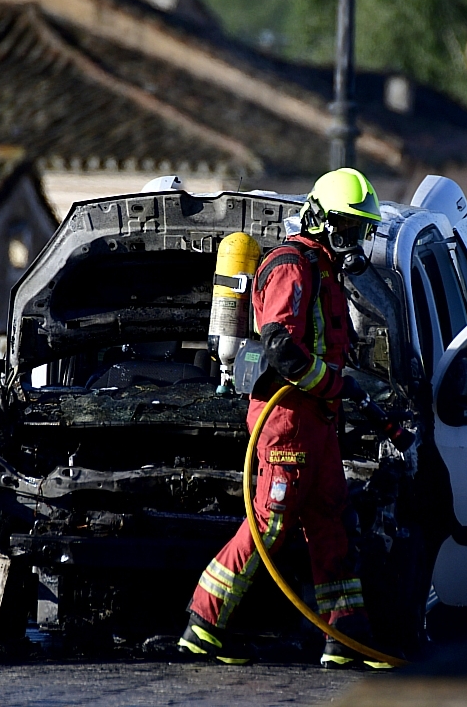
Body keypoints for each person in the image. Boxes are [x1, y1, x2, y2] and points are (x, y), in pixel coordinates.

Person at [178, 168, 388, 668]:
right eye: (350, 229)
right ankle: (202, 627)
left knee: (331, 523)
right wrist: (337, 385)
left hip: (318, 423)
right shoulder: (293, 267)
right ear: (323, 222)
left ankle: (346, 639)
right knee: (267, 527)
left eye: (362, 231)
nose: (356, 242)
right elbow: (281, 350)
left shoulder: (324, 270)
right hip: (288, 423)